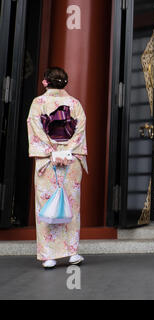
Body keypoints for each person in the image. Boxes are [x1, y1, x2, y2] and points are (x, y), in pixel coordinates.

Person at [27, 67, 88, 269]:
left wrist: (53, 151)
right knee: (71, 203)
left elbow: (35, 127)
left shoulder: (39, 103)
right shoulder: (74, 104)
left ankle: (48, 256)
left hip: (48, 159)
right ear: (65, 82)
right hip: (71, 160)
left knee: (45, 205)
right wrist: (67, 151)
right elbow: (79, 130)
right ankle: (72, 252)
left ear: (45, 81)